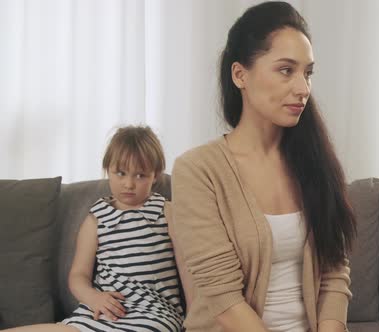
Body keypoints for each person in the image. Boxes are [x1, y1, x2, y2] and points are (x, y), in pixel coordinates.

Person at [170, 2, 356, 332]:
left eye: (307, 73)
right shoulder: (198, 171)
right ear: (240, 74)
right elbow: (225, 300)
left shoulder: (315, 164)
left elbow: (334, 272)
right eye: (286, 70)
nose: (303, 89)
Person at [5, 125, 186, 332]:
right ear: (107, 170)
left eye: (140, 175)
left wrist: (198, 321)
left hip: (153, 314)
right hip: (98, 313)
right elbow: (78, 275)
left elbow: (188, 270)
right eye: (120, 173)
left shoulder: (166, 211)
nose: (129, 184)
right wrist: (93, 297)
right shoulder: (97, 217)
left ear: (155, 175)